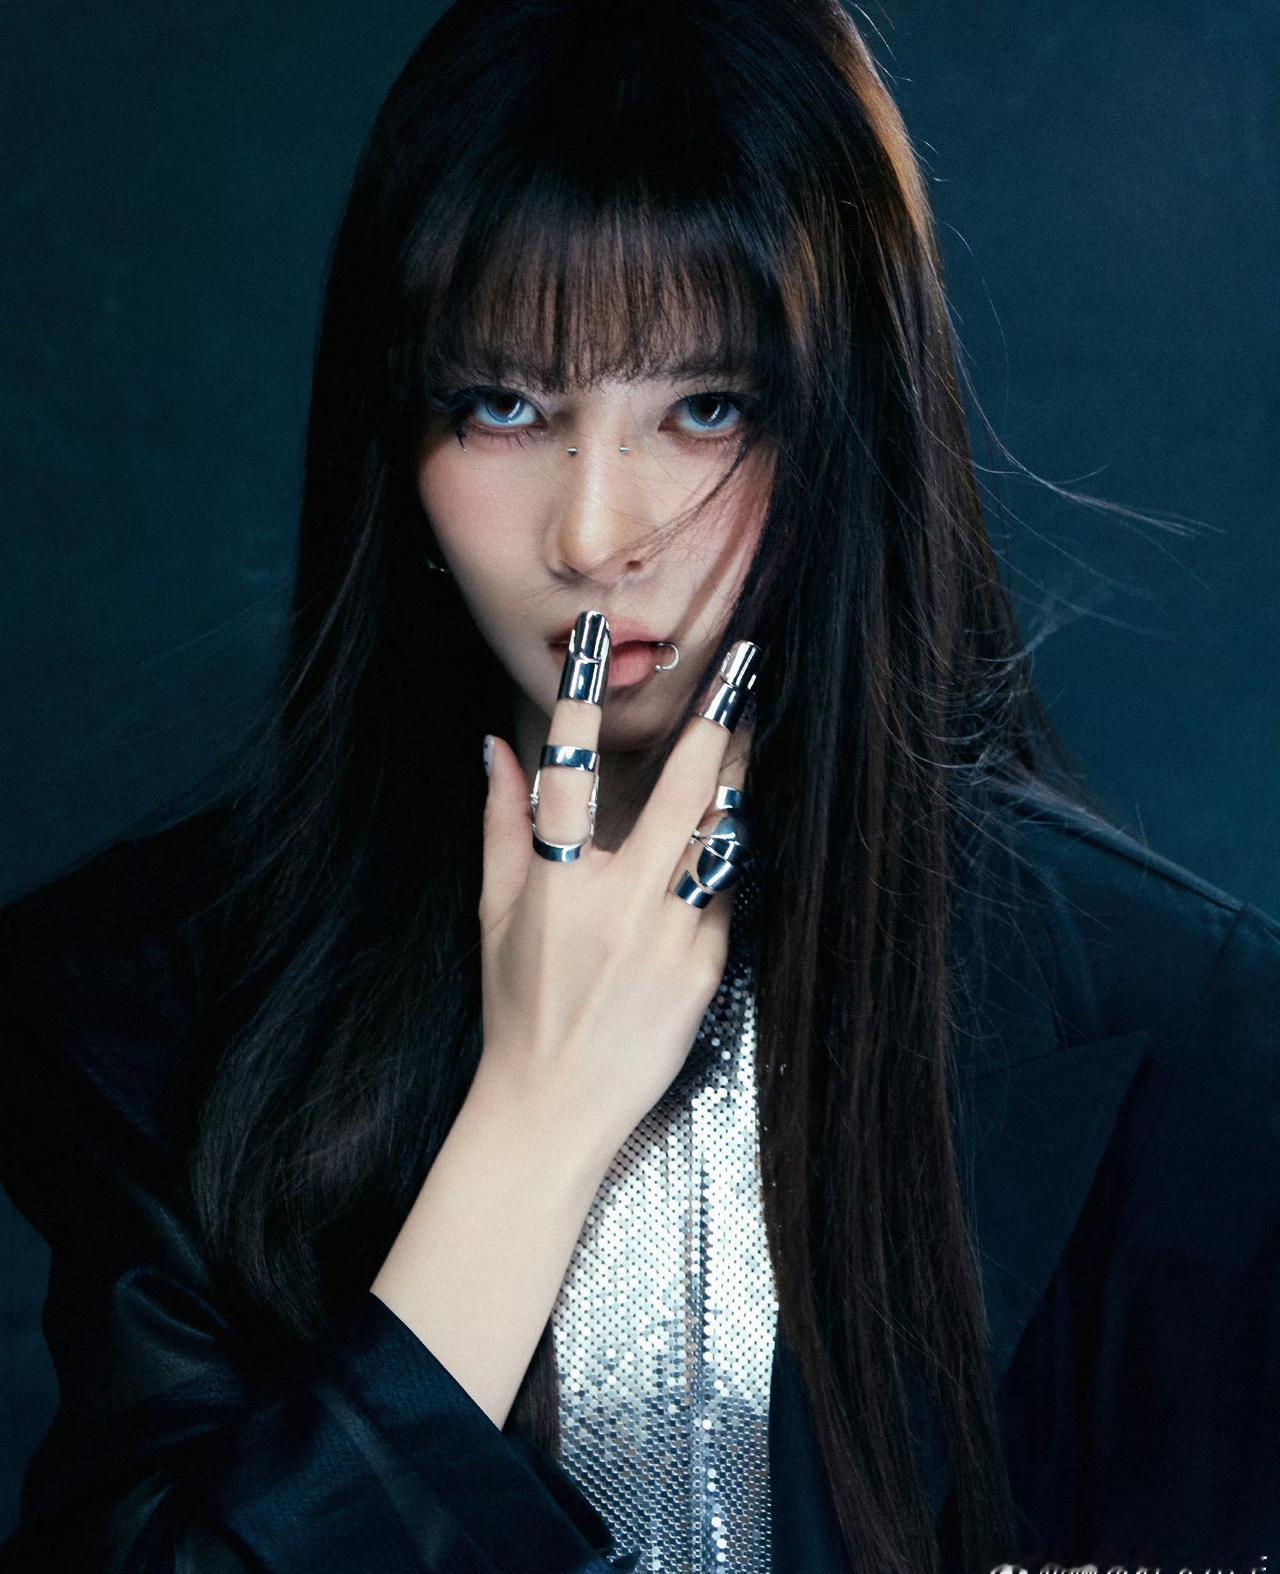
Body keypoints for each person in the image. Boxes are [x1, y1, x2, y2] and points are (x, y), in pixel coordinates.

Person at [1, 0, 1277, 1570]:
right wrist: (532, 1125)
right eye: (504, 405)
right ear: (396, 436)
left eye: (706, 406)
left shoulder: (1186, 1026)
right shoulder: (149, 1011)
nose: (595, 532)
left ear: (847, 427)